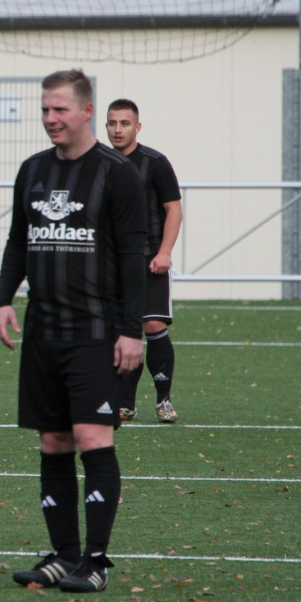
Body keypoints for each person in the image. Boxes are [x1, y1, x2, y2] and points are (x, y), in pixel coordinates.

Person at [0, 69, 146, 593]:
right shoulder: (32, 170)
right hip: (43, 331)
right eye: (44, 110)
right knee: (53, 441)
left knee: (90, 437)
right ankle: (63, 556)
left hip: (97, 332)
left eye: (60, 110)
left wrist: (132, 331)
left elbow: (134, 257)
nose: (50, 119)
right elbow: (19, 240)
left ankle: (97, 562)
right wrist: (1, 299)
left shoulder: (117, 173)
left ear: (86, 111)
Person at [105, 99, 183, 424]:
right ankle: (125, 403)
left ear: (137, 127)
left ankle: (163, 400)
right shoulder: (98, 163)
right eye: (112, 123)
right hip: (112, 264)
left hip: (149, 261)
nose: (118, 129)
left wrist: (164, 252)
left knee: (152, 325)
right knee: (122, 331)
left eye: (125, 123)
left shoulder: (155, 163)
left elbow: (174, 210)